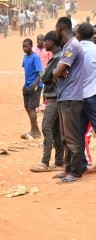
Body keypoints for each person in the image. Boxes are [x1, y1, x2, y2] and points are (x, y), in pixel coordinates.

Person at [52, 17, 85, 184]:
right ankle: (67, 168)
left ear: (59, 28)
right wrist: (59, 71)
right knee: (65, 136)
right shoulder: (68, 45)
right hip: (65, 95)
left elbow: (57, 72)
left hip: (71, 96)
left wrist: (56, 72)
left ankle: (76, 172)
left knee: (72, 137)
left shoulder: (72, 46)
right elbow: (60, 71)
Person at [30, 31, 64, 172]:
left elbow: (44, 77)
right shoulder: (58, 56)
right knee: (56, 130)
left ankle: (45, 161)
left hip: (54, 97)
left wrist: (45, 74)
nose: (44, 44)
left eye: (46, 41)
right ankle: (59, 162)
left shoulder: (56, 57)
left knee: (47, 127)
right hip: (56, 97)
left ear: (51, 42)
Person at [75, 22, 96, 175]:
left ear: (79, 35)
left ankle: (81, 165)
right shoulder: (95, 50)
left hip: (77, 97)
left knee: (79, 132)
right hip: (93, 95)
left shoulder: (75, 49)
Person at [21, 38, 43, 139]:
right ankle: (36, 129)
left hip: (35, 85)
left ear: (31, 46)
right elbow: (26, 70)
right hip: (27, 85)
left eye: (26, 46)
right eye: (23, 47)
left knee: (32, 108)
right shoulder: (25, 56)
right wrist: (26, 85)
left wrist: (34, 85)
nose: (25, 48)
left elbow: (40, 73)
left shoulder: (35, 57)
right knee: (27, 107)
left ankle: (33, 131)